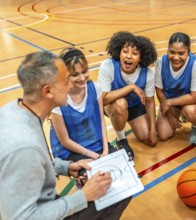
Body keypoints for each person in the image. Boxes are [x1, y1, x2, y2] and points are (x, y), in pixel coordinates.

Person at [0, 51, 131, 220]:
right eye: (65, 80)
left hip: (41, 203)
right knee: (119, 193)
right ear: (48, 92)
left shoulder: (17, 109)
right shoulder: (25, 145)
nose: (72, 85)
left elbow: (29, 168)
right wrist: (84, 196)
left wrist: (64, 167)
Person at [98, 31, 158, 160]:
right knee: (120, 104)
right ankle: (121, 140)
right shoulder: (108, 66)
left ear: (141, 58)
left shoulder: (148, 74)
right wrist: (131, 87)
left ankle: (130, 121)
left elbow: (150, 102)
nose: (129, 56)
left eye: (135, 53)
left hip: (134, 106)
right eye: (125, 51)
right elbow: (102, 100)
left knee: (146, 137)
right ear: (119, 52)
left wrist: (153, 130)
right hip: (112, 105)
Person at [50, 47, 114, 163]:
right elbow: (65, 141)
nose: (82, 78)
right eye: (75, 75)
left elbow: (101, 121)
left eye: (84, 72)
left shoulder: (95, 88)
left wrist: (105, 150)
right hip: (71, 151)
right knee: (95, 176)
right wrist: (96, 157)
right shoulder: (57, 100)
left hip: (96, 145)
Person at [155, 32, 196, 145]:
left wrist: (169, 102)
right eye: (172, 52)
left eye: (181, 53)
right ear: (167, 50)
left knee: (190, 111)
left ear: (188, 53)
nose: (176, 57)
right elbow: (159, 91)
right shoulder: (161, 63)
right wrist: (169, 115)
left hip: (190, 101)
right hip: (171, 102)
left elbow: (195, 97)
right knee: (163, 135)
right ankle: (180, 112)